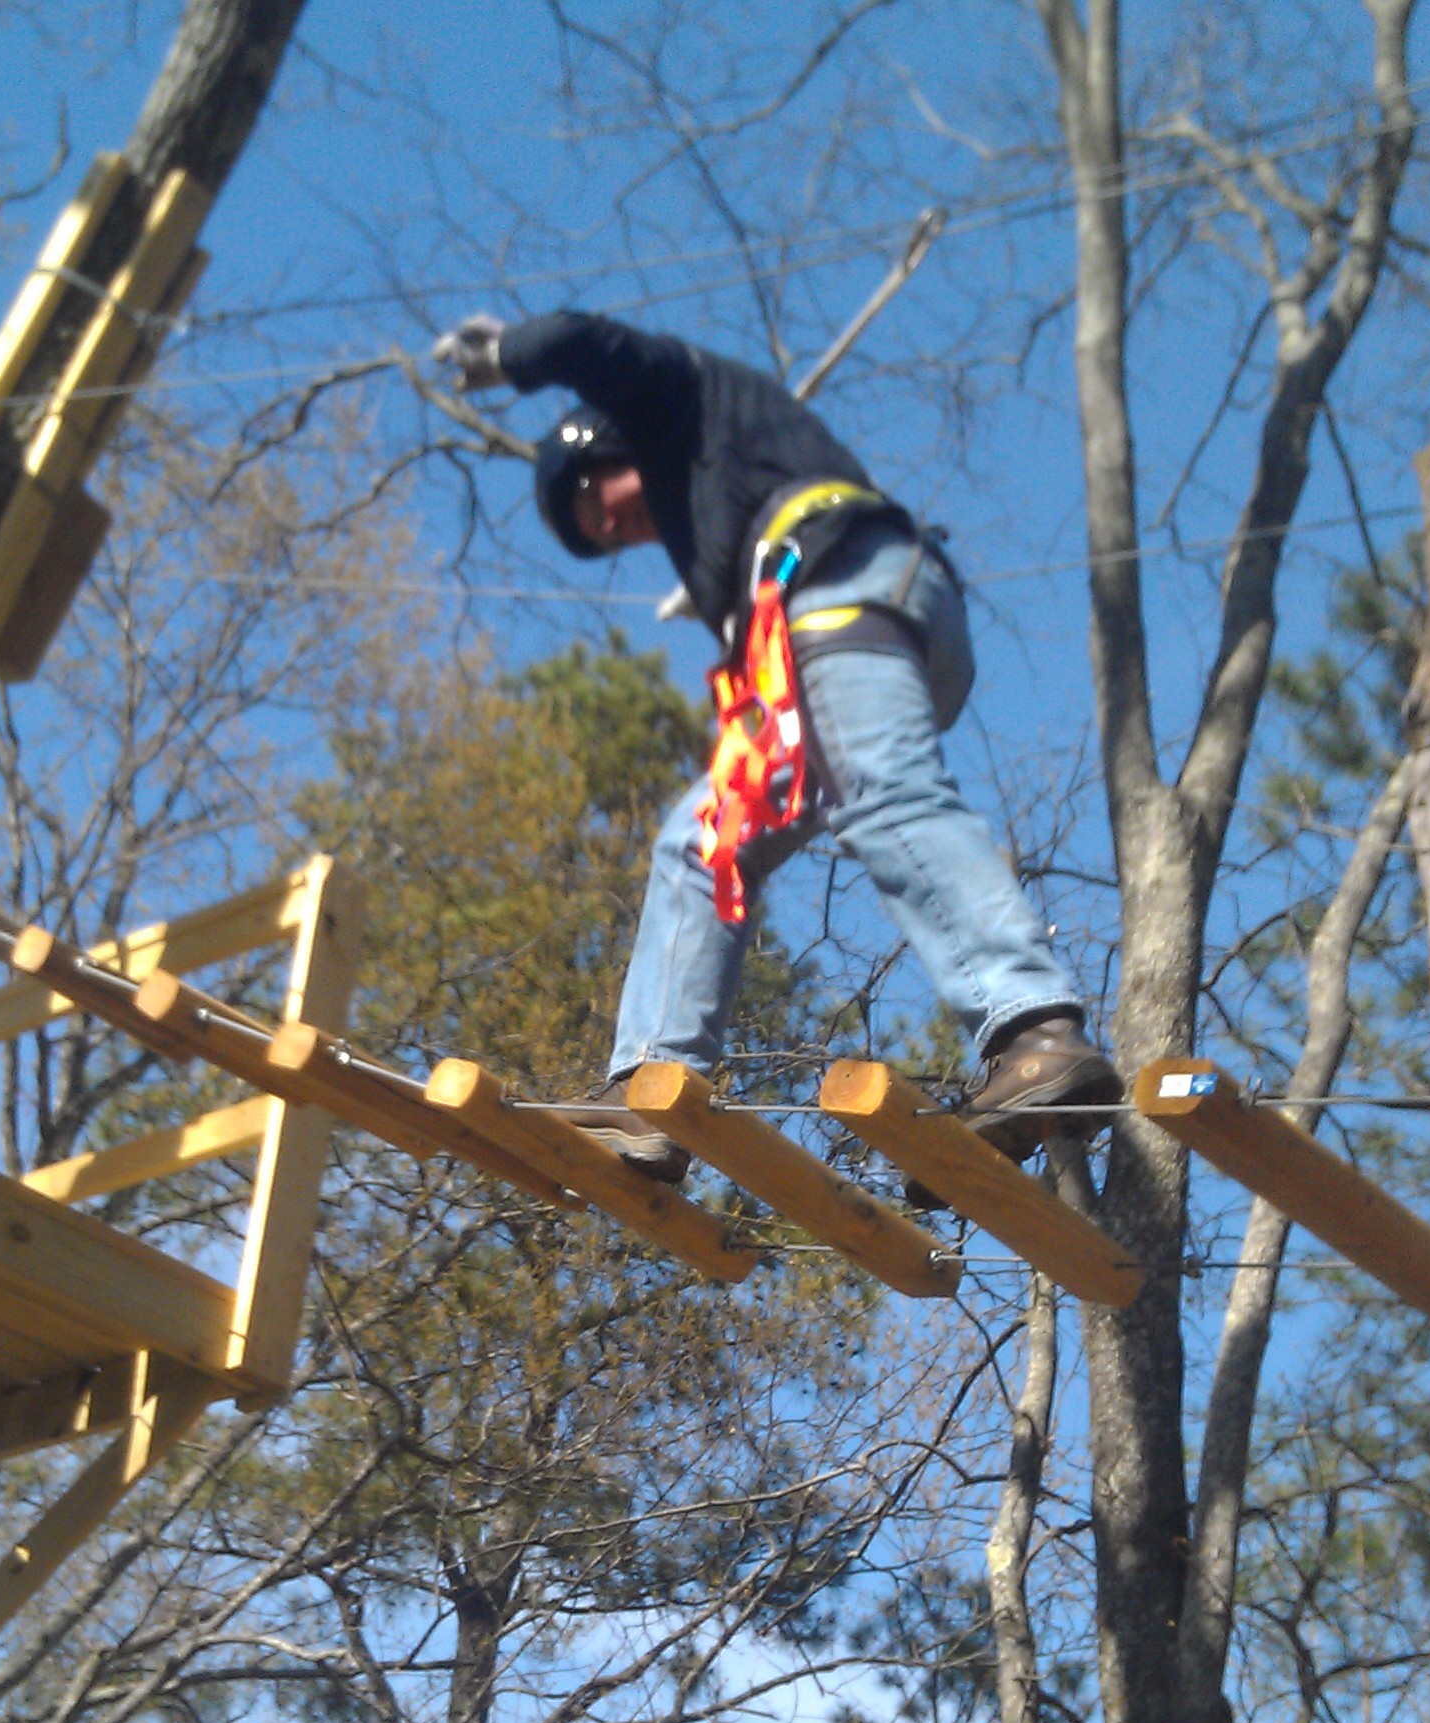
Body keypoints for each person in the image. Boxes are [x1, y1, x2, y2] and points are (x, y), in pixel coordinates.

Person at [431, 309, 1118, 1184]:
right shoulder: (712, 508)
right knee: (699, 846)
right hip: (824, 637)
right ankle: (653, 1090)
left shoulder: (675, 400)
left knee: (883, 793)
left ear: (604, 447)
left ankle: (1034, 1030)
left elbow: (588, 344)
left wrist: (514, 355)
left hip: (845, 585)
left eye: (588, 509)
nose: (608, 535)